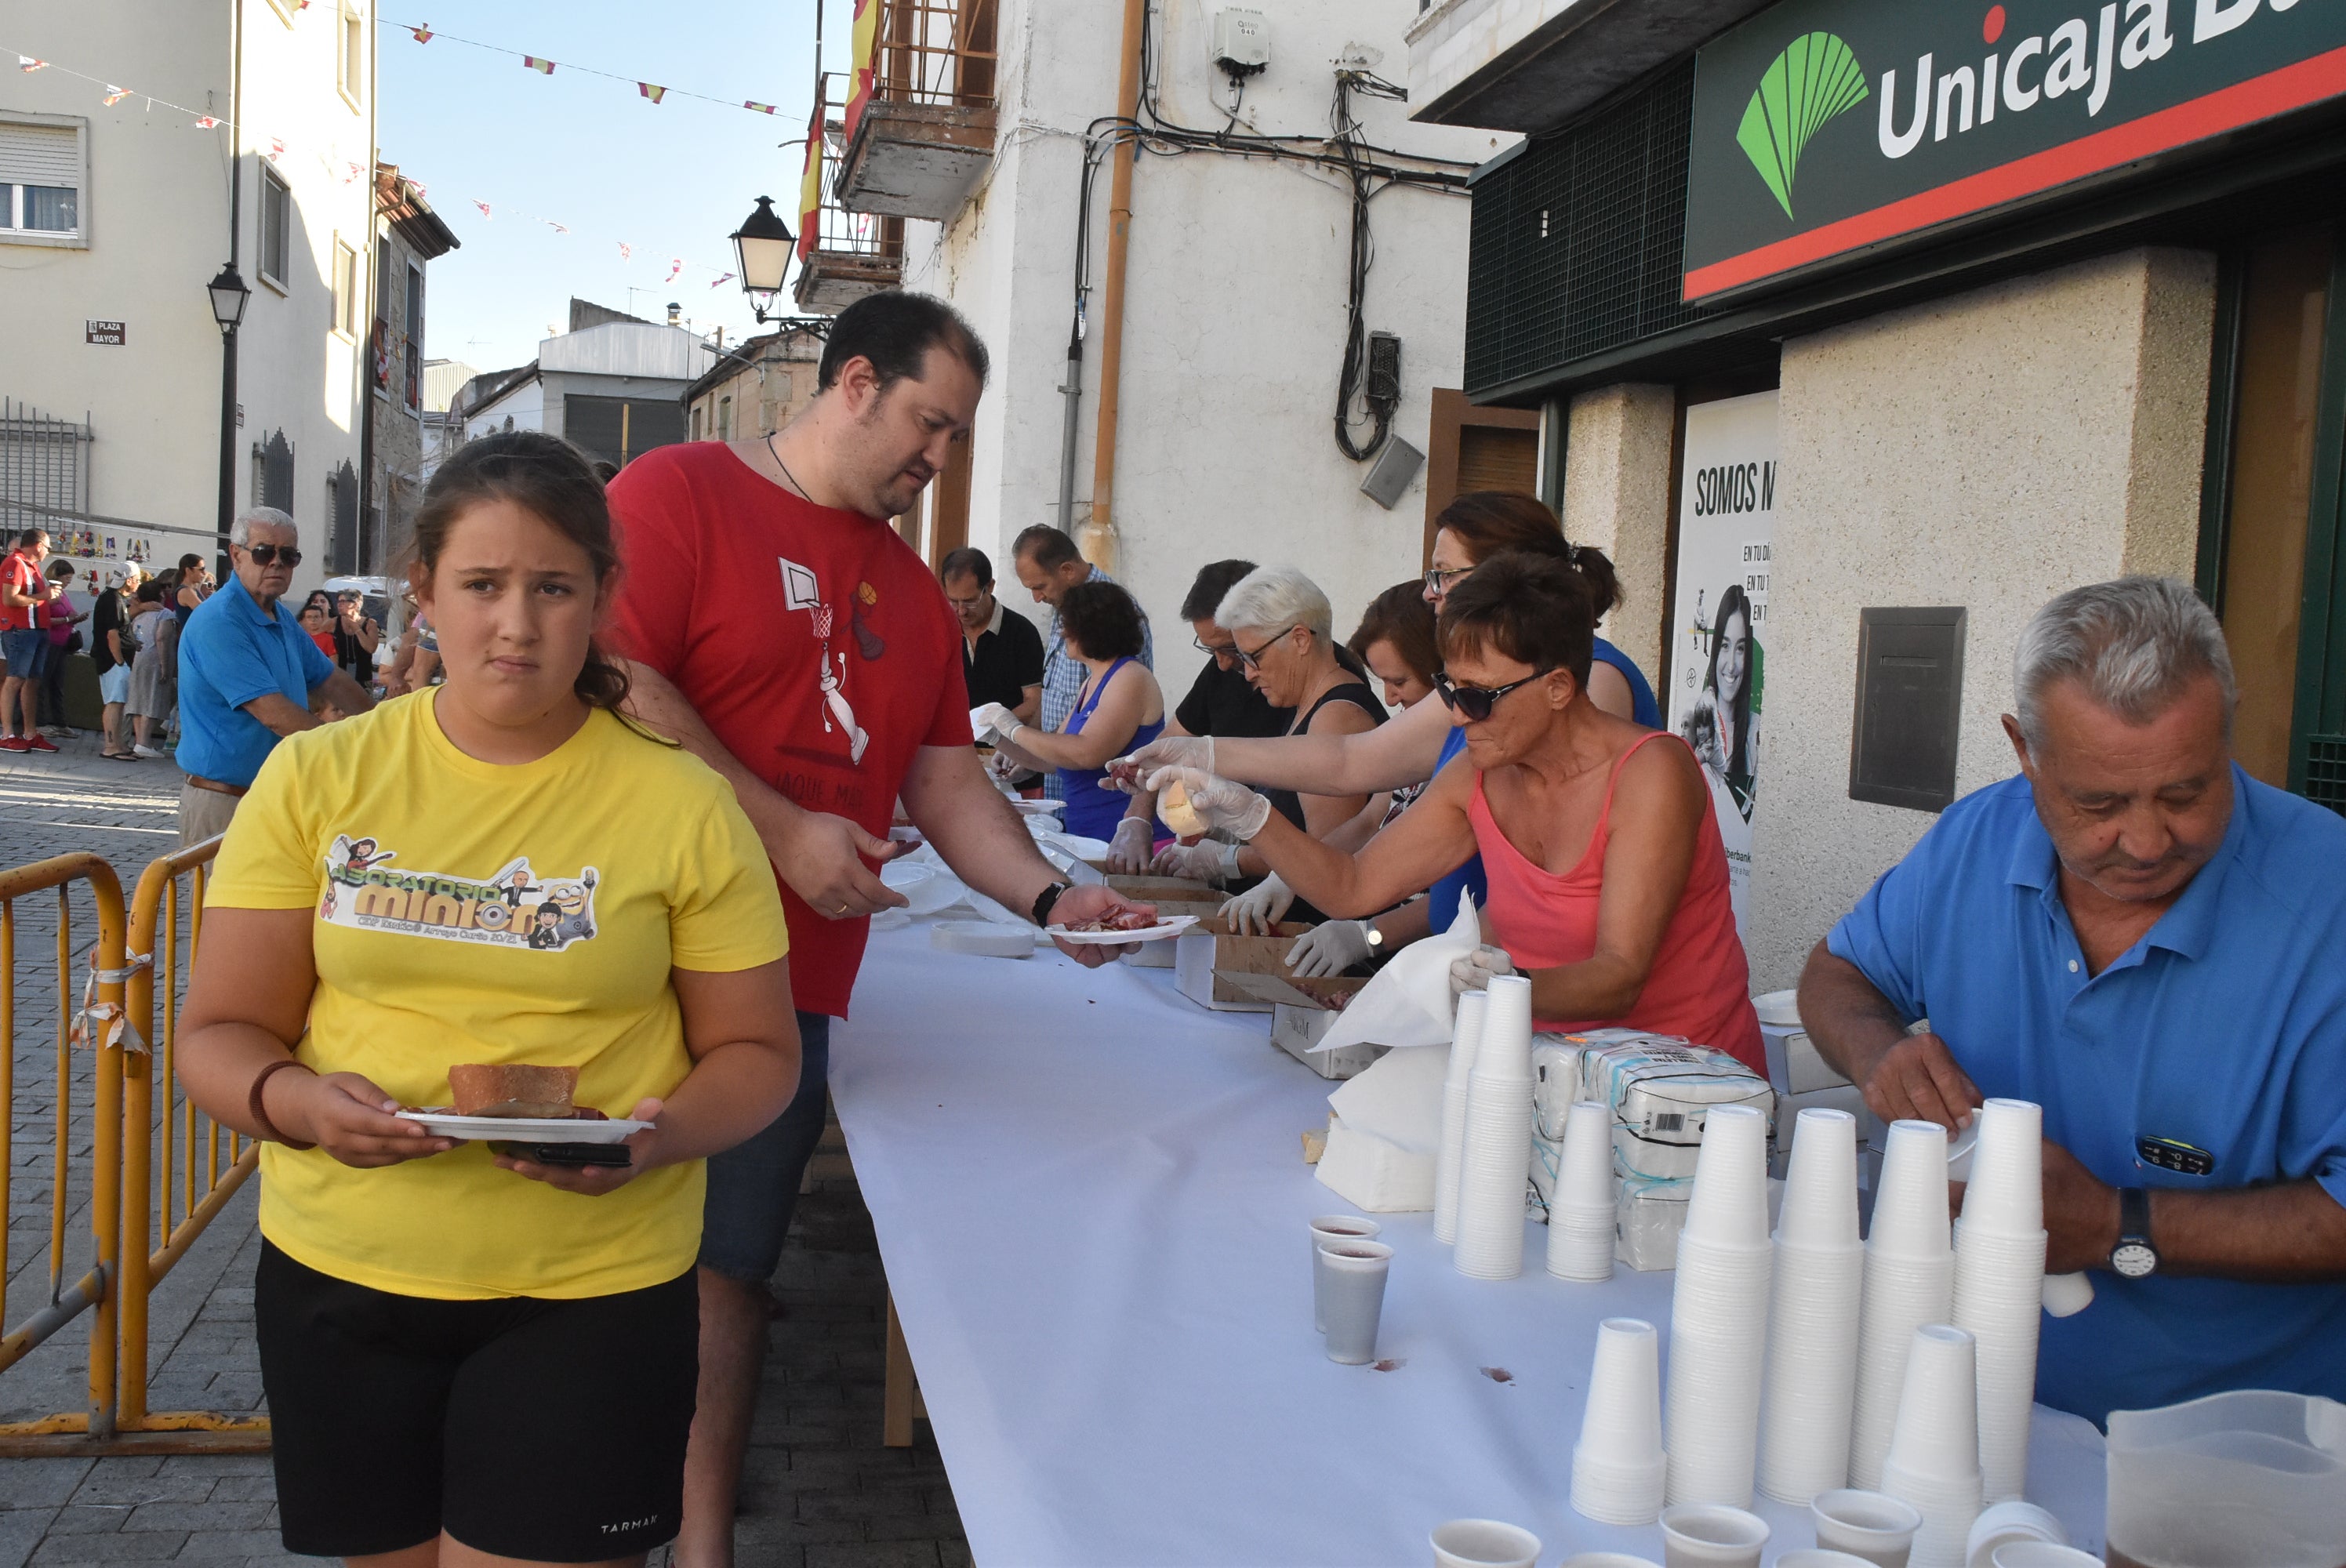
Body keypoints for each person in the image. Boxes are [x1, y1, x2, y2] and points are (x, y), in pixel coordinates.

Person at [176, 430, 801, 1564]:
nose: (517, 625)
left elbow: (759, 1055)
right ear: (424, 593)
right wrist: (297, 1103)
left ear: (605, 595)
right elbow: (218, 1034)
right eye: (481, 586)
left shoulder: (684, 805)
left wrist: (656, 1141)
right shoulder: (320, 777)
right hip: (341, 1278)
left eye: (554, 588)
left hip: (591, 1292)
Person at [599, 289, 1149, 1566]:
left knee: (729, 1270)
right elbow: (619, 679)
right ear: (852, 382)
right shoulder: (678, 493)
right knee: (592, 1256)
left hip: (784, 990)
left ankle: (699, 1549)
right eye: (927, 423)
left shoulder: (908, 589)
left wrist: (1054, 900)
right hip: (630, 962)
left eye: (954, 436)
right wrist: (782, 825)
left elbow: (946, 781)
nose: (937, 459)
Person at [1798, 577, 2346, 1425]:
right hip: (1965, 1408)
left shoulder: (2327, 900)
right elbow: (1836, 973)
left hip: (2237, 1462)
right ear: (2025, 750)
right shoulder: (1974, 840)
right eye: (2098, 802)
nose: (2145, 840)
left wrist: (2120, 1224)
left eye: (2186, 793)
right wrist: (1878, 1052)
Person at [1141, 552, 1765, 1074]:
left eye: (1476, 696)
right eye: (1449, 691)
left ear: (1557, 687)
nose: (1458, 716)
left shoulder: (1652, 773)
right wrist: (1251, 817)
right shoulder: (1479, 769)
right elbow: (1353, 885)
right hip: (1546, 1068)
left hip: (1684, 1088)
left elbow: (1620, 973)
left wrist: (1499, 987)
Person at [1128, 493, 1659, 937]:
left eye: (1444, 575)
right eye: (1454, 691)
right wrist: (1210, 757)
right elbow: (1352, 767)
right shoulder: (1474, 737)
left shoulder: (1598, 690)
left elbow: (1568, 906)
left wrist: (1388, 945)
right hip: (1488, 975)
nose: (1430, 591)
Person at [1237, 581, 1446, 967]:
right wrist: (1285, 879)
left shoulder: (1465, 749)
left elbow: (1463, 896)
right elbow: (1368, 822)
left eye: (1399, 682)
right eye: (1383, 681)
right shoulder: (1411, 735)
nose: (1389, 699)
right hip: (1387, 947)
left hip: (1425, 953)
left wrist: (1370, 936)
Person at [1151, 566, 1385, 911]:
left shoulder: (1336, 717)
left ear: (1301, 640)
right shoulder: (1303, 706)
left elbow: (1328, 856)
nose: (1248, 673)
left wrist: (1230, 858)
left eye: (1254, 657)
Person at [174, 508, 377, 846]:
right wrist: (354, 756)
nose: (277, 563)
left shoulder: (279, 616)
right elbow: (273, 714)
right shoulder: (220, 621)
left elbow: (332, 680)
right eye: (264, 552)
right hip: (226, 801)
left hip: (275, 797)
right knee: (225, 900)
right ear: (236, 556)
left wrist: (382, 731)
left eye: (289, 555)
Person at [1104, 558, 1292, 874]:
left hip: (1285, 872)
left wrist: (1231, 859)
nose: (1224, 664)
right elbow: (1169, 744)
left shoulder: (1316, 693)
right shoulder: (1221, 671)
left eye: (1232, 650)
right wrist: (1136, 818)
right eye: (1210, 650)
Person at [980, 581, 1164, 841]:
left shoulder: (1130, 677)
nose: (1062, 633)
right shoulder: (1092, 682)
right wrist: (1000, 739)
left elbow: (1086, 753)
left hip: (1128, 842)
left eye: (1067, 625)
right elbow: (1058, 757)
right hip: (1090, 837)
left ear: (1090, 629)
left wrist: (1015, 729)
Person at [1010, 524, 1153, 803]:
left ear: (1066, 570)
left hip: (1102, 796)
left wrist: (1016, 733)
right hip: (1065, 788)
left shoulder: (1114, 614)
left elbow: (1093, 745)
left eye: (1040, 587)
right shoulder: (1064, 603)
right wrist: (1025, 750)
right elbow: (1058, 697)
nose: (1037, 598)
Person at [1681, 583, 1759, 822]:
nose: (1732, 665)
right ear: (1715, 650)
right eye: (1725, 646)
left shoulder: (1756, 731)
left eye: (1741, 648)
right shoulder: (1692, 721)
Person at [941, 546, 1043, 727]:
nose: (962, 611)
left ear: (990, 586)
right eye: (953, 601)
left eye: (970, 601)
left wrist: (991, 726)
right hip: (950, 744)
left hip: (1005, 746)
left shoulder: (1022, 633)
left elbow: (1035, 701)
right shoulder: (941, 631)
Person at [0, 528, 62, 753]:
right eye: (47, 547)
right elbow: (9, 598)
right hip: (20, 630)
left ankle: (30, 733)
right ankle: (7, 734)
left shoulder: (33, 567)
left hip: (37, 630)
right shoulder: (15, 563)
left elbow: (34, 599)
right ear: (37, 545)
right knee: (14, 679)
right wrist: (43, 597)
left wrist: (49, 599)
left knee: (33, 681)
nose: (48, 552)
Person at [92, 564, 138, 761]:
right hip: (113, 661)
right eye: (137, 579)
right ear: (129, 580)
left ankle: (118, 744)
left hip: (117, 659)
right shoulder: (112, 600)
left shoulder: (114, 598)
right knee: (114, 702)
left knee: (119, 703)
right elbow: (112, 634)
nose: (139, 584)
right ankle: (111, 745)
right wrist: (119, 661)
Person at [38, 558, 86, 737]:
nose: (68, 582)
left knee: (57, 683)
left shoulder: (63, 594)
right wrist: (67, 620)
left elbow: (68, 611)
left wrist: (75, 616)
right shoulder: (48, 593)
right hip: (50, 641)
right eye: (66, 578)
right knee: (43, 681)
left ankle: (60, 722)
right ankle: (40, 722)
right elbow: (43, 618)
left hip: (62, 643)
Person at [125, 579, 172, 758]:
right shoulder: (165, 614)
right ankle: (144, 741)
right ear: (160, 595)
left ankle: (140, 740)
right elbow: (162, 638)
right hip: (154, 658)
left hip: (139, 657)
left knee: (139, 698)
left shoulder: (138, 615)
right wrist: (165, 665)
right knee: (153, 698)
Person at [336, 586, 384, 687]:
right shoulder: (334, 622)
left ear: (356, 604)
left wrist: (356, 629)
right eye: (338, 601)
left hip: (363, 678)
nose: (339, 605)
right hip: (340, 677)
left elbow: (371, 648)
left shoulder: (370, 623)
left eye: (343, 601)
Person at [173, 551, 212, 626]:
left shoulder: (194, 590)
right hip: (193, 636)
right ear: (188, 570)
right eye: (201, 569)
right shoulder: (185, 591)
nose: (204, 573)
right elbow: (205, 612)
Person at [298, 592, 340, 660]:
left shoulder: (338, 622)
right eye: (315, 601)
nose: (319, 604)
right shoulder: (300, 626)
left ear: (330, 605)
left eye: (323, 601)